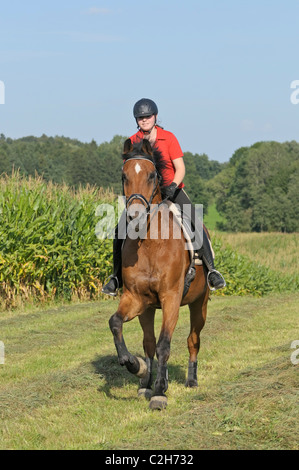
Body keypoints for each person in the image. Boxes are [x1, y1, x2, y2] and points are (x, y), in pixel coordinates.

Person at [102, 98, 226, 296]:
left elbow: (180, 167)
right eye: (140, 118)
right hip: (143, 197)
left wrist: (173, 186)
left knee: (195, 222)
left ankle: (212, 271)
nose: (144, 120)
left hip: (172, 189)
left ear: (155, 117)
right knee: (120, 230)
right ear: (137, 120)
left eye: (147, 116)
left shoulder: (168, 138)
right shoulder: (133, 141)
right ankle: (115, 277)